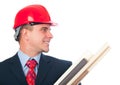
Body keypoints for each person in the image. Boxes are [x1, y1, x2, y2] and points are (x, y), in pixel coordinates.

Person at [0, 4, 81, 85]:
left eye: (49, 30)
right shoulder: (2, 71)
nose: (50, 35)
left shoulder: (65, 69)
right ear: (25, 34)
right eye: (44, 29)